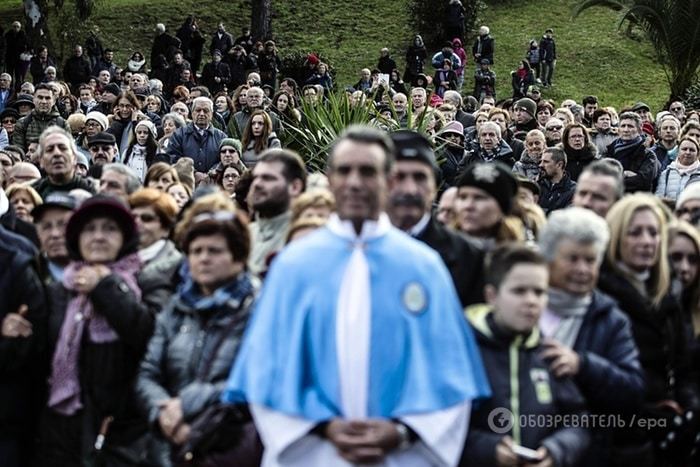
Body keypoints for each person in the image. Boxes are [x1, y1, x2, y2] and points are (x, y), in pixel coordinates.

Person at [223, 125, 490, 466]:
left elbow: (450, 370)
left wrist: (403, 431)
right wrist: (322, 426)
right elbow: (266, 364)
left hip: (399, 454)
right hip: (313, 452)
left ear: (389, 180)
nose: (355, 182)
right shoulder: (294, 265)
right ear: (330, 178)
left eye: (368, 171)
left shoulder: (424, 266)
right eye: (345, 171)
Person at [34, 195, 155, 466]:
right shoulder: (59, 290)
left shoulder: (146, 282)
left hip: (117, 434)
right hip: (60, 428)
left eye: (110, 228)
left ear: (125, 237)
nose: (98, 237)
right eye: (89, 229)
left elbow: (147, 337)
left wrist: (105, 287)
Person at [135, 196, 256, 463]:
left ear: (238, 256)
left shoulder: (257, 309)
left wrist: (186, 404)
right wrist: (162, 413)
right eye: (196, 251)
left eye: (214, 251)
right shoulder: (176, 308)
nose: (203, 259)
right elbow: (147, 372)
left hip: (227, 445)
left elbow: (255, 378)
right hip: (168, 445)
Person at [598, 194, 700, 465]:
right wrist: (650, 417)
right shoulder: (600, 296)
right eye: (635, 232)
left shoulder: (664, 295)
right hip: (618, 439)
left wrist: (689, 410)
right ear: (617, 236)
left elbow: (682, 366)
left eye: (654, 232)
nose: (647, 241)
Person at [538, 207, 645, 465]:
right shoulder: (525, 303)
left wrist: (582, 365)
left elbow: (632, 389)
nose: (583, 269)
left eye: (591, 260)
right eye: (573, 259)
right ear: (549, 259)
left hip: (584, 453)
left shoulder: (611, 320)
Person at [388, 130, 484, 307]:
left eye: (420, 177)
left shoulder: (466, 255)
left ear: (435, 186)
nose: (409, 189)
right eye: (398, 177)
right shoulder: (355, 247)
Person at [247, 149, 306, 276]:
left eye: (268, 178)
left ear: (295, 187)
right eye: (255, 177)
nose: (257, 184)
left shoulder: (306, 237)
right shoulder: (244, 235)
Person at [454, 161, 522, 249]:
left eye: (479, 198)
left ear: (502, 206)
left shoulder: (521, 259)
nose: (468, 205)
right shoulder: (438, 251)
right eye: (463, 197)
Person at [168, 97, 227, 180]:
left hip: (213, 183)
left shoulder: (221, 137)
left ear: (212, 114)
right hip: (185, 183)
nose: (202, 114)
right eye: (198, 110)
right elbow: (173, 158)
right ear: (192, 113)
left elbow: (225, 159)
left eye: (206, 111)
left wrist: (212, 172)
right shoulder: (179, 135)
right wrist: (194, 173)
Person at [32, 126, 96, 200]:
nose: (57, 153)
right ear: (41, 160)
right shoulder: (32, 194)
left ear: (74, 157)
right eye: (50, 150)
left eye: (63, 148)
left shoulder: (92, 191)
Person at [605, 111, 658, 193]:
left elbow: (643, 182)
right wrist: (626, 176)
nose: (626, 130)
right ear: (619, 129)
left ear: (639, 129)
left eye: (630, 126)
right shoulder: (611, 150)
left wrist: (615, 180)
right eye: (623, 126)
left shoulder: (648, 155)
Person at [12, 84, 70, 152]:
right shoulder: (22, 123)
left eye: (48, 98)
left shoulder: (62, 124)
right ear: (33, 99)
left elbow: (67, 151)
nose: (44, 102)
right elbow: (18, 152)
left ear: (54, 101)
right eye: (40, 97)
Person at [655, 136, 700, 201]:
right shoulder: (666, 173)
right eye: (684, 149)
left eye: (692, 150)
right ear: (678, 152)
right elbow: (659, 198)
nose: (687, 152)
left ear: (697, 154)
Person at [538, 146, 576, 214]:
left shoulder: (573, 190)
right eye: (541, 161)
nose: (540, 165)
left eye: (546, 162)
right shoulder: (536, 186)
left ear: (559, 165)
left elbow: (567, 217)